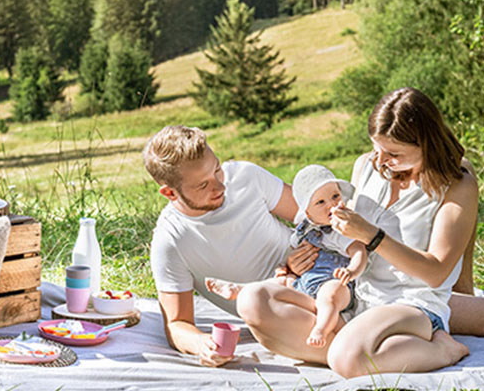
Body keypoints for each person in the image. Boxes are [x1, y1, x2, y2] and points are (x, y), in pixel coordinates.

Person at [232, 87, 477, 377]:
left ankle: (441, 349)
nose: (381, 160)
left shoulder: (457, 184)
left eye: (394, 153)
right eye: (377, 148)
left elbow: (436, 272)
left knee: (346, 358)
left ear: (427, 143)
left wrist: (373, 236)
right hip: (356, 294)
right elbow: (345, 240)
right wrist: (299, 263)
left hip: (412, 303)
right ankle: (372, 349)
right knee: (253, 300)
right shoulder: (366, 165)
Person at [142, 125, 307, 367]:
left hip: (326, 270)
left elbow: (315, 216)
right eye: (202, 185)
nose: (220, 186)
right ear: (169, 193)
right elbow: (177, 324)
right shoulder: (171, 240)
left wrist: (304, 257)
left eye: (217, 170)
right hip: (279, 314)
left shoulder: (246, 176)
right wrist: (202, 344)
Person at [206, 164, 368, 348]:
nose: (331, 205)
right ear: (307, 213)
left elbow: (359, 250)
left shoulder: (340, 229)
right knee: (280, 283)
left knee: (328, 297)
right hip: (306, 282)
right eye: (320, 202)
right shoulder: (303, 232)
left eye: (335, 196)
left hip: (336, 282)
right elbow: (292, 255)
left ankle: (322, 329)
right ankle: (241, 290)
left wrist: (351, 271)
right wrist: (285, 269)